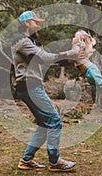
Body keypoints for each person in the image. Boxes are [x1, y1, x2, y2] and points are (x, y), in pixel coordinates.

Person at [11, 11, 76, 172]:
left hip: (30, 87)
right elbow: (42, 57)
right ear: (26, 23)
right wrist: (67, 54)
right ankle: (55, 162)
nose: (38, 25)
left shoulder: (29, 42)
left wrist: (68, 59)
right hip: (29, 87)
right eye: (35, 22)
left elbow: (44, 59)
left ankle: (26, 160)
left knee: (44, 124)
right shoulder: (21, 40)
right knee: (54, 121)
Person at [59, 30, 102, 105]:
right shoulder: (77, 47)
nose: (73, 38)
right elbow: (71, 59)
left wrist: (63, 53)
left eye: (75, 36)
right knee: (95, 86)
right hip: (86, 71)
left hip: (90, 68)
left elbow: (73, 52)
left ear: (81, 38)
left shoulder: (80, 45)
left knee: (100, 82)